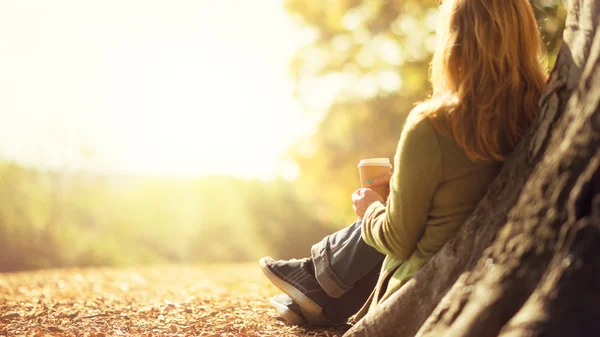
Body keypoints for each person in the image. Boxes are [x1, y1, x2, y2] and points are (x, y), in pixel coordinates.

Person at [260, 0, 548, 326]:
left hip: (426, 292)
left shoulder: (436, 125)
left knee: (387, 214)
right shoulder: (547, 110)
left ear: (453, 42)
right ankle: (314, 286)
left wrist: (369, 209)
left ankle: (316, 284)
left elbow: (398, 239)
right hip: (499, 281)